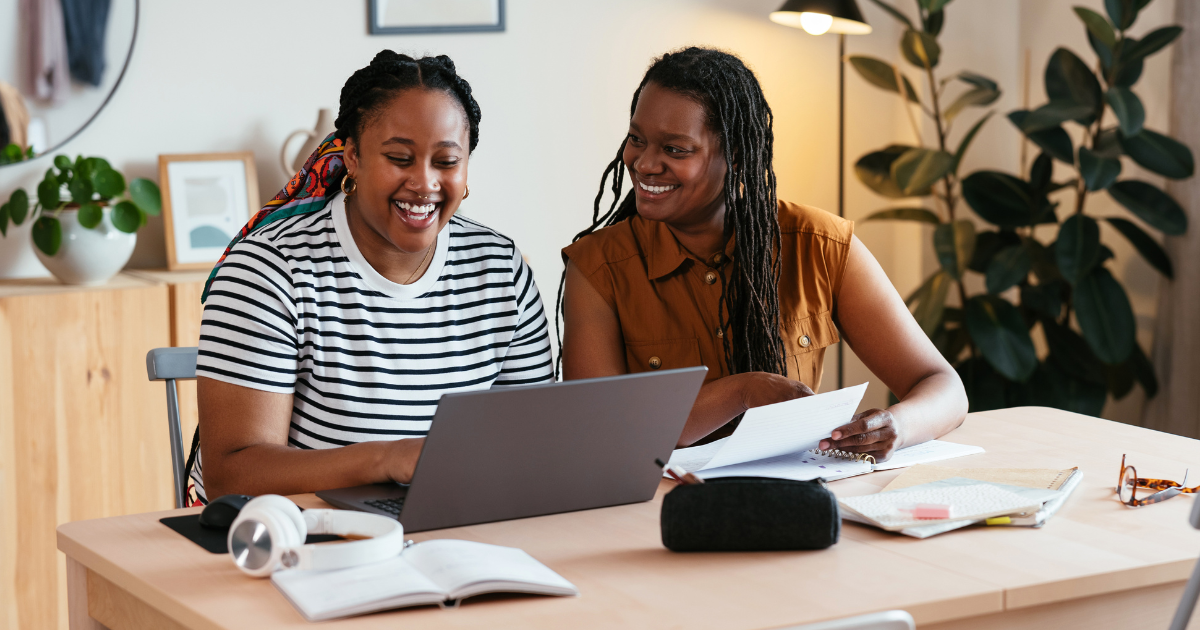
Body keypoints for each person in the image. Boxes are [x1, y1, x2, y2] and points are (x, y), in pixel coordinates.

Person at [559, 47, 967, 460]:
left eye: (675, 149)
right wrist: (742, 391)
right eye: (637, 140)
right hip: (656, 507)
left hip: (794, 496)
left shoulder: (820, 245)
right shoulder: (598, 268)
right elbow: (600, 426)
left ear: (735, 154)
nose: (645, 163)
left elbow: (943, 386)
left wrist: (898, 426)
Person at [193, 51, 553, 503]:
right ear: (354, 158)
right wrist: (387, 460)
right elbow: (233, 474)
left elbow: (533, 444)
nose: (424, 184)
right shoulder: (269, 270)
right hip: (303, 545)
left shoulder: (501, 270)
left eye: (446, 162)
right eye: (400, 158)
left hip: (456, 533)